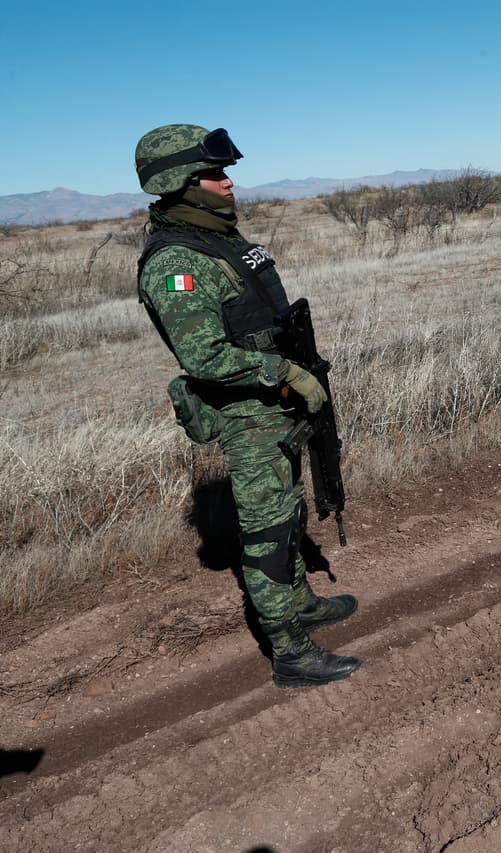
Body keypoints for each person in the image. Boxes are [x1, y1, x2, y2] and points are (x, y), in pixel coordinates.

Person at [134, 124, 362, 688]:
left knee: (289, 512)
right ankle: (290, 650)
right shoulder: (176, 263)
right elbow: (206, 356)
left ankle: (300, 601)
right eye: (213, 174)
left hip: (275, 403)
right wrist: (281, 371)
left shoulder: (222, 242)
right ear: (181, 185)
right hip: (246, 412)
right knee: (266, 532)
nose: (227, 182)